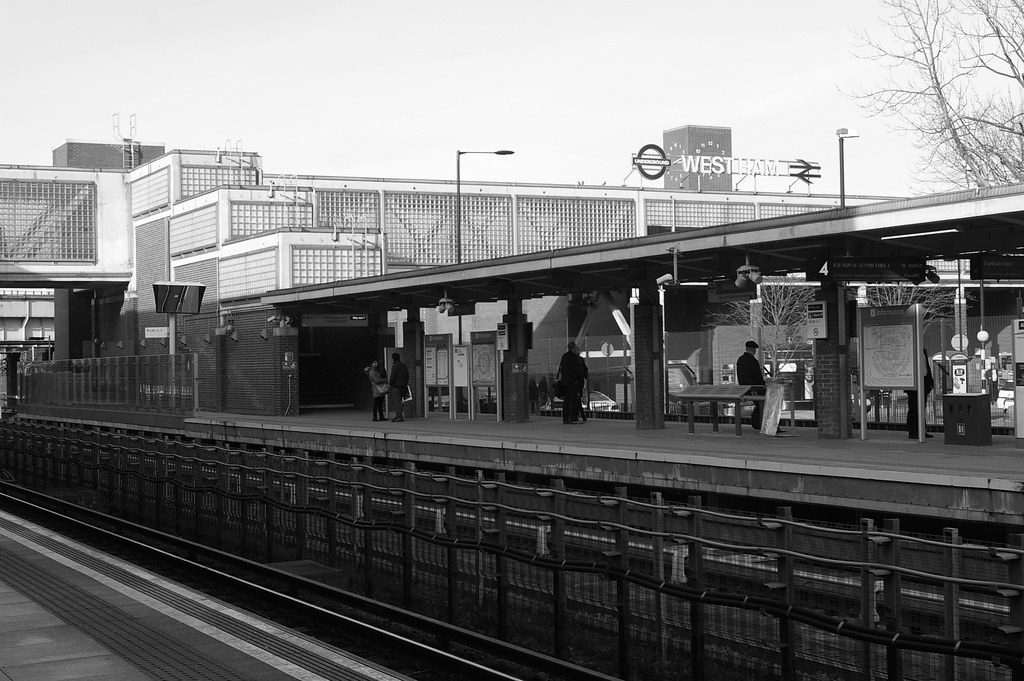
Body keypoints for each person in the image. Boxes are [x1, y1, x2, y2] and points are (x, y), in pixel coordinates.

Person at [736, 340, 767, 431]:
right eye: (755, 350)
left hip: (743, 388)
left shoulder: (740, 359)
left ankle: (758, 423)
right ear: (753, 350)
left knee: (759, 404)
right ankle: (762, 424)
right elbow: (758, 377)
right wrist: (764, 385)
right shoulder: (753, 361)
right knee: (765, 402)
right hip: (754, 388)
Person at [905, 348, 934, 439]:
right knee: (914, 408)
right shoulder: (910, 349)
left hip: (924, 380)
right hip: (913, 382)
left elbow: (926, 367)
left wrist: (930, 381)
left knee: (922, 407)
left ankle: (922, 430)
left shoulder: (923, 350)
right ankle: (913, 431)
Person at [557, 341, 588, 424]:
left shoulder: (564, 356)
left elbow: (561, 369)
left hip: (565, 382)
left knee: (566, 400)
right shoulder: (575, 358)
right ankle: (573, 418)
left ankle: (565, 419)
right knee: (573, 400)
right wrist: (580, 378)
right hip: (573, 382)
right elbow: (577, 370)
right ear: (574, 348)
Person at [387, 352, 409, 422]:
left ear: (393, 358)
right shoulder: (404, 365)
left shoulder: (395, 366)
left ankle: (399, 416)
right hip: (403, 386)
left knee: (397, 402)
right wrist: (406, 384)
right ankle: (398, 415)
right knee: (401, 401)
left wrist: (390, 384)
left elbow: (392, 376)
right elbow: (407, 376)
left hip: (396, 386)